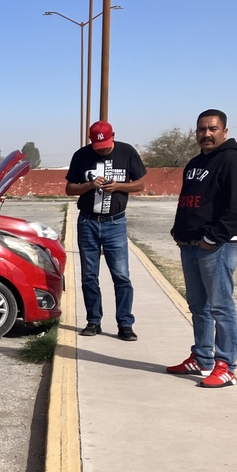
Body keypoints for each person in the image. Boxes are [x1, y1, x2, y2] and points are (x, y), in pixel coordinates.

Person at [166, 109, 237, 388]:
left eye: (212, 129)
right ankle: (202, 357)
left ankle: (226, 364)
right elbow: (189, 202)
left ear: (224, 131)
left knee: (221, 307)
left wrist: (213, 238)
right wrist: (179, 233)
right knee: (197, 306)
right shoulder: (194, 164)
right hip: (189, 246)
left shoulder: (233, 162)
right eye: (202, 129)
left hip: (216, 248)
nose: (206, 134)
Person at [64, 120, 147, 340]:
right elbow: (69, 189)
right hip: (88, 223)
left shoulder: (127, 152)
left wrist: (118, 186)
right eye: (99, 148)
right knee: (89, 276)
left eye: (107, 147)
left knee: (121, 276)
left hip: (115, 224)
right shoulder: (81, 156)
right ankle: (93, 321)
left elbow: (140, 184)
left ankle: (125, 324)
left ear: (114, 137)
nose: (103, 151)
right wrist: (89, 186)